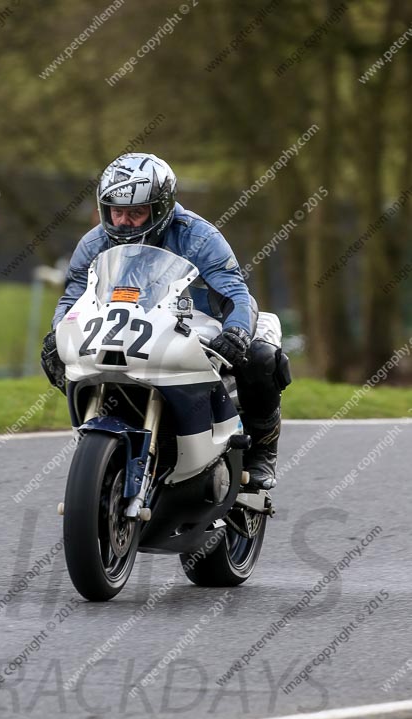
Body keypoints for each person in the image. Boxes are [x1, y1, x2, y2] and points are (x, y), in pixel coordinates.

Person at [41, 153, 291, 489]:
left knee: (261, 357)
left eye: (136, 213)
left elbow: (235, 292)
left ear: (162, 208)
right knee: (54, 352)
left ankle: (262, 450)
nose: (124, 222)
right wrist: (60, 332)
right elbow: (74, 296)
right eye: (116, 212)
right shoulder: (95, 242)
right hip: (131, 325)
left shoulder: (198, 236)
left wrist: (236, 332)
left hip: (201, 322)